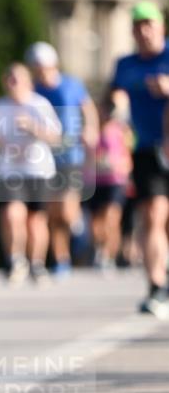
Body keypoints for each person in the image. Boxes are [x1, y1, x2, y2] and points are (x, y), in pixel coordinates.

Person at [110, 1, 169, 318]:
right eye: (138, 25)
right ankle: (156, 287)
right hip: (147, 148)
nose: (144, 30)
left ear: (161, 26)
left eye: (149, 23)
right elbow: (115, 93)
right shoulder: (125, 64)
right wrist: (116, 107)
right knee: (153, 215)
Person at [26, 41, 99, 278]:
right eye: (37, 67)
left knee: (67, 211)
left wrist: (91, 129)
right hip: (46, 157)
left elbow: (88, 108)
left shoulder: (71, 84)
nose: (41, 72)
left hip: (72, 154)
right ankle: (61, 259)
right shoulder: (35, 91)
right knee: (53, 212)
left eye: (44, 66)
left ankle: (79, 225)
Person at [0, 63, 62, 285]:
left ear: (28, 82)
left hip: (38, 170)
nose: (13, 84)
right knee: (11, 213)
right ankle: (15, 259)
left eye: (17, 79)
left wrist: (33, 127)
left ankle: (37, 264)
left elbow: (55, 137)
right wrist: (9, 147)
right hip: (9, 170)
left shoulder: (40, 105)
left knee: (36, 220)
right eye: (9, 79)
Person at [88, 97, 133, 272]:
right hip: (95, 181)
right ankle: (100, 248)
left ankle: (108, 255)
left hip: (116, 180)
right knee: (96, 223)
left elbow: (128, 156)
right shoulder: (92, 131)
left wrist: (122, 168)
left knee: (111, 218)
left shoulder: (122, 131)